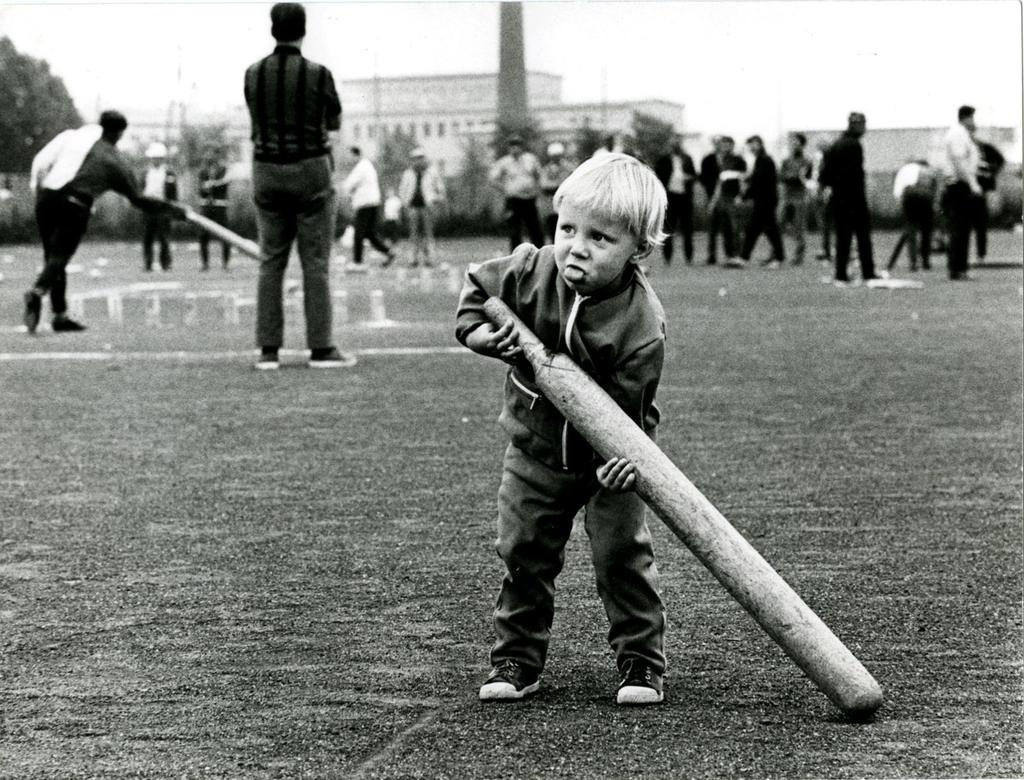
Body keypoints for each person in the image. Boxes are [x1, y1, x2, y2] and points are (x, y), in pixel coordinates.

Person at [456, 153, 669, 706]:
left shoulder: (641, 326)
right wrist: (481, 339)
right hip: (536, 453)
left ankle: (642, 664)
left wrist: (624, 461)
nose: (576, 245)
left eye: (600, 238)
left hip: (611, 466)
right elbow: (477, 293)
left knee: (622, 559)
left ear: (638, 250)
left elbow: (629, 414)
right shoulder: (531, 268)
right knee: (523, 552)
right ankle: (516, 659)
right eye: (567, 228)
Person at [244, 2, 351, 369]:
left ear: (272, 29)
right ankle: (321, 348)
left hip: (267, 171)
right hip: (310, 171)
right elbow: (334, 122)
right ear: (303, 30)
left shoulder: (252, 74)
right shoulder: (319, 74)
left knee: (270, 261)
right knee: (315, 262)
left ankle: (268, 350)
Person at [23, 110, 183, 334]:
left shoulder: (72, 138)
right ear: (119, 133)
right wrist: (173, 209)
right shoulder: (113, 160)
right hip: (75, 204)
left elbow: (40, 161)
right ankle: (37, 292)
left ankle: (59, 315)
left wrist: (39, 192)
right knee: (59, 257)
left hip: (46, 197)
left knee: (53, 258)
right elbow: (138, 199)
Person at [819, 112, 877, 284]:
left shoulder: (835, 145)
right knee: (863, 236)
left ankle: (840, 274)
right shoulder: (854, 145)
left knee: (842, 237)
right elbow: (856, 175)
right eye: (863, 125)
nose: (864, 128)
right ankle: (868, 272)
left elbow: (825, 176)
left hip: (838, 197)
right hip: (854, 197)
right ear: (857, 125)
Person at [940, 105, 983, 281]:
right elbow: (959, 162)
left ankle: (959, 268)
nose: (974, 121)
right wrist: (972, 184)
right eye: (972, 118)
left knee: (961, 227)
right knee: (960, 227)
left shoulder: (962, 134)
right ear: (965, 117)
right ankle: (958, 268)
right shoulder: (958, 134)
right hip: (959, 184)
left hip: (960, 183)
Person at [343, 146, 395, 271]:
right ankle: (388, 252)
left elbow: (349, 184)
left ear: (356, 155)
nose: (349, 159)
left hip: (365, 203)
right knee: (369, 234)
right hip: (372, 202)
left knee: (358, 234)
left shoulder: (361, 167)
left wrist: (348, 192)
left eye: (350, 156)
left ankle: (357, 262)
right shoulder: (367, 166)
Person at [489, 135, 544, 252]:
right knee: (514, 230)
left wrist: (537, 192)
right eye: (512, 146)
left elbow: (539, 176)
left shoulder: (531, 159)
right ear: (509, 148)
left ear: (522, 147)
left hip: (529, 198)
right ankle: (516, 256)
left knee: (535, 228)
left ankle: (540, 253)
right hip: (514, 200)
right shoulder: (504, 162)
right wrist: (505, 189)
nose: (515, 149)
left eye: (517, 145)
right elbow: (492, 178)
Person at [738, 135, 785, 267]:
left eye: (754, 144)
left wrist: (744, 196)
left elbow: (758, 182)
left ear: (760, 144)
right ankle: (745, 257)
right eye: (750, 145)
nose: (752, 147)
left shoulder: (765, 160)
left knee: (768, 230)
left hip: (766, 201)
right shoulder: (760, 160)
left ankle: (778, 258)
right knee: (756, 229)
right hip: (763, 201)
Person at [699, 135, 746, 265]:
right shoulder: (717, 160)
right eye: (722, 144)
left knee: (732, 228)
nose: (724, 146)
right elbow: (718, 183)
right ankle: (712, 256)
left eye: (727, 144)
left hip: (732, 197)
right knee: (713, 228)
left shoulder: (738, 160)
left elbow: (743, 181)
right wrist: (713, 201)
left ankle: (734, 255)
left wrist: (740, 196)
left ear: (732, 145)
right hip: (720, 198)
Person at [398, 147, 446, 267]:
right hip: (413, 206)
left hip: (427, 206)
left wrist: (435, 200)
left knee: (428, 233)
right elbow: (402, 190)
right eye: (415, 159)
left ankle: (429, 258)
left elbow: (440, 190)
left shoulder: (432, 173)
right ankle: (413, 259)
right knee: (413, 233)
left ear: (424, 159)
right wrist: (405, 204)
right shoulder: (408, 174)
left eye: (420, 158)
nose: (417, 161)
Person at [887, 159, 938, 272]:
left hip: (908, 194)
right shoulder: (926, 170)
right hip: (924, 194)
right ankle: (925, 262)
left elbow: (898, 192)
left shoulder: (902, 170)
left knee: (911, 229)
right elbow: (932, 185)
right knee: (926, 229)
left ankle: (913, 262)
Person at [655, 133, 696, 264]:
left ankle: (689, 257)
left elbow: (694, 175)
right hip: (670, 197)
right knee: (668, 229)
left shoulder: (687, 159)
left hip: (684, 197)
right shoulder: (664, 160)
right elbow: (658, 177)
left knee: (687, 229)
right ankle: (668, 257)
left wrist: (689, 177)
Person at [141, 142, 178, 272]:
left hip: (163, 207)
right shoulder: (146, 172)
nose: (156, 160)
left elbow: (173, 193)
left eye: (158, 157)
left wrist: (172, 208)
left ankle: (165, 263)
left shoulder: (169, 173)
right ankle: (148, 263)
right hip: (149, 207)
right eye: (154, 157)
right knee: (147, 238)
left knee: (164, 237)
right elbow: (140, 190)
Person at [779, 133, 813, 264]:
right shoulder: (786, 161)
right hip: (787, 196)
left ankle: (799, 254)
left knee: (799, 225)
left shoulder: (806, 161)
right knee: (781, 223)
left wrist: (793, 176)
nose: (794, 144)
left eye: (797, 142)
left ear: (802, 144)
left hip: (800, 196)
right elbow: (782, 176)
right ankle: (776, 252)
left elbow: (803, 178)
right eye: (793, 142)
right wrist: (793, 176)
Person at [197, 149, 232, 270]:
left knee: (225, 235)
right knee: (203, 235)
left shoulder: (224, 170)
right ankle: (205, 264)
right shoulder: (203, 171)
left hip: (219, 205)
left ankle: (226, 263)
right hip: (206, 206)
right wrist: (206, 187)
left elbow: (225, 184)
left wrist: (212, 184)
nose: (209, 156)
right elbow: (200, 189)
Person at [972, 139, 1005, 264]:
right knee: (975, 224)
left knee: (980, 224)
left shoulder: (984, 148)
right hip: (974, 189)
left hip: (981, 190)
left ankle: (980, 255)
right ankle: (978, 255)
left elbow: (1000, 160)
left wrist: (992, 172)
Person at [538, 142, 575, 244]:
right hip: (551, 205)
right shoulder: (546, 169)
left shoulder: (569, 168)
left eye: (557, 155)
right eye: (553, 156)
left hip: (566, 204)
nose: (555, 158)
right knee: (552, 229)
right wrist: (559, 186)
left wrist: (556, 186)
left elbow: (573, 184)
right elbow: (544, 185)